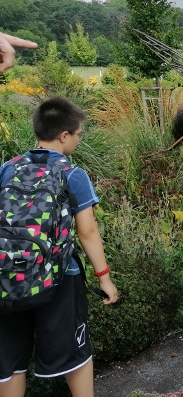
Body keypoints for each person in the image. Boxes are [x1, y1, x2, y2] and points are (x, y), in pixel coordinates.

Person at [0, 96, 118, 397]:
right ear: (64, 135)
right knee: (74, 355)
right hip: (59, 278)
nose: (78, 140)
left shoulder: (8, 169)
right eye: (78, 134)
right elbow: (87, 232)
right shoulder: (73, 175)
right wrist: (104, 277)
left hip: (8, 278)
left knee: (9, 362)